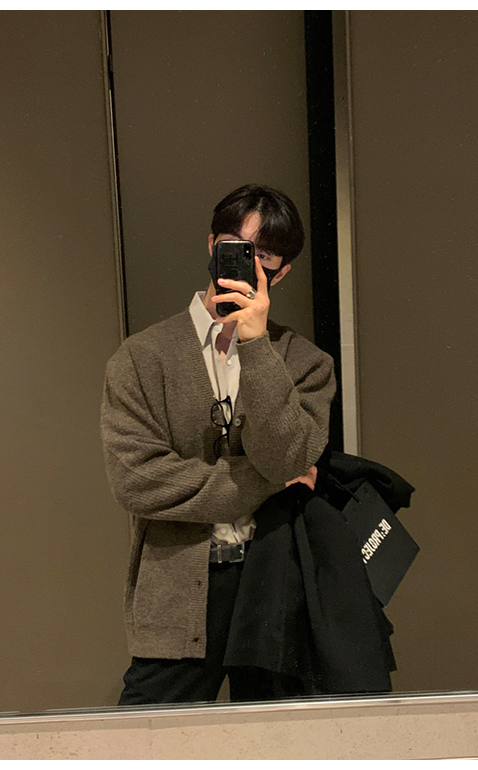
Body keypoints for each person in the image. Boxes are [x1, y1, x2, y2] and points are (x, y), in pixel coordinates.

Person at [100, 184, 336, 705]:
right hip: (176, 589)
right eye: (235, 245)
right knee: (152, 737)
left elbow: (288, 454)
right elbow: (138, 481)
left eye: (263, 254)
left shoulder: (306, 363)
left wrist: (256, 346)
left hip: (276, 581)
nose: (246, 262)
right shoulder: (141, 359)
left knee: (278, 739)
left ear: (281, 272)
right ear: (212, 245)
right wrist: (266, 482)